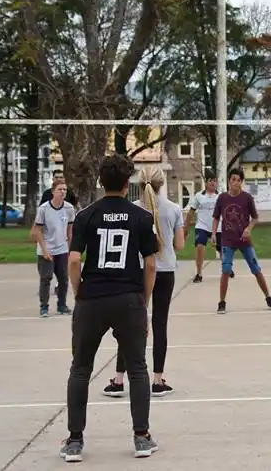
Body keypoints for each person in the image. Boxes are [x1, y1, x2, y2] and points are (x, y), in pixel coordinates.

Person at [60, 155, 160, 463]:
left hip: (92, 298)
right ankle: (141, 437)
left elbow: (74, 260)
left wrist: (79, 293)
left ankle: (75, 440)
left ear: (101, 182)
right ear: (127, 183)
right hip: (128, 298)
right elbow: (152, 264)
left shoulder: (86, 216)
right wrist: (143, 300)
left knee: (80, 368)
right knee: (138, 368)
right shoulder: (141, 217)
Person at [103, 167, 184, 399]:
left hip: (137, 270)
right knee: (160, 324)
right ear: (162, 183)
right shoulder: (173, 209)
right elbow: (179, 245)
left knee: (128, 325)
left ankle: (119, 379)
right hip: (165, 270)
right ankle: (158, 380)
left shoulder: (132, 210)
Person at [212, 168, 271, 314]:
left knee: (256, 269)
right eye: (232, 179)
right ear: (229, 181)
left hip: (244, 240)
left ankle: (268, 297)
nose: (235, 183)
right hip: (228, 240)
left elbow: (255, 218)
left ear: (242, 182)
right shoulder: (222, 198)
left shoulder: (247, 198)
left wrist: (249, 228)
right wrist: (213, 233)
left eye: (238, 180)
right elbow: (216, 217)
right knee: (226, 269)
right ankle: (222, 302)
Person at [30, 180, 76, 317]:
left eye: (65, 190)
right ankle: (44, 306)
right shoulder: (44, 209)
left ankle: (62, 305)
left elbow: (70, 231)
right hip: (47, 248)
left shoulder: (69, 209)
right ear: (53, 192)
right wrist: (44, 250)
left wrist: (70, 250)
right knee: (46, 277)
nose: (63, 192)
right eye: (60, 189)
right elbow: (37, 230)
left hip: (61, 248)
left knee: (63, 278)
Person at [185, 171, 232, 281]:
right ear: (206, 183)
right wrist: (185, 227)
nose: (212, 183)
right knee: (200, 246)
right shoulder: (199, 196)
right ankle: (199, 273)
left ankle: (227, 269)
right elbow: (191, 212)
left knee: (222, 251)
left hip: (217, 227)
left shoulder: (221, 196)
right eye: (210, 181)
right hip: (202, 226)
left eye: (214, 181)